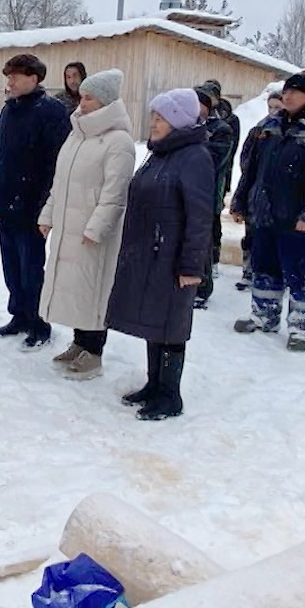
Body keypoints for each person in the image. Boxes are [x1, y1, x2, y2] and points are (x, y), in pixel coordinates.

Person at [105, 89, 214, 420]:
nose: (154, 123)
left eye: (161, 118)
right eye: (153, 117)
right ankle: (155, 385)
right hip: (151, 252)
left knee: (172, 324)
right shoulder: (161, 153)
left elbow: (200, 217)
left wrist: (192, 265)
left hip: (174, 257)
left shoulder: (194, 157)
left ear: (179, 121)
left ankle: (170, 395)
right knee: (156, 321)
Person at [37, 69, 135, 381]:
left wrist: (96, 228)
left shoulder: (118, 141)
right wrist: (48, 216)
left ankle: (94, 352)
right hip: (69, 227)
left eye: (89, 97)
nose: (83, 101)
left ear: (105, 101)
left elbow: (115, 193)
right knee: (75, 289)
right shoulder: (77, 134)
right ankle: (80, 343)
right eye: (82, 95)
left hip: (92, 233)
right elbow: (60, 183)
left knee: (94, 290)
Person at [230, 74, 305, 353]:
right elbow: (251, 169)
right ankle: (263, 315)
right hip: (264, 212)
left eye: (296, 92)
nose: (288, 96)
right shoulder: (269, 126)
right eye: (286, 91)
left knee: (298, 272)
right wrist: (242, 201)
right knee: (264, 266)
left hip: (295, 218)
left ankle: (301, 326)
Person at [0, 53, 72, 348]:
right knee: (11, 265)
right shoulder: (9, 110)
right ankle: (18, 314)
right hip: (5, 202)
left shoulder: (52, 112)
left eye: (15, 76)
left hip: (32, 206)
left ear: (34, 78)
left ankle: (39, 322)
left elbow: (55, 164)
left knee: (32, 268)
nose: (9, 82)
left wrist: (44, 205)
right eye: (8, 76)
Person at [192, 80, 240, 309]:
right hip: (183, 194)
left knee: (203, 241)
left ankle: (203, 287)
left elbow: (211, 161)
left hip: (207, 195)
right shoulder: (184, 126)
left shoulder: (220, 129)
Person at [234, 90, 282, 292]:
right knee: (251, 236)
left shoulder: (289, 131)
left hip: (279, 197)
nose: (273, 111)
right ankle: (248, 271)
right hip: (256, 192)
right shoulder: (258, 130)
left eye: (277, 107)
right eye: (270, 107)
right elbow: (246, 159)